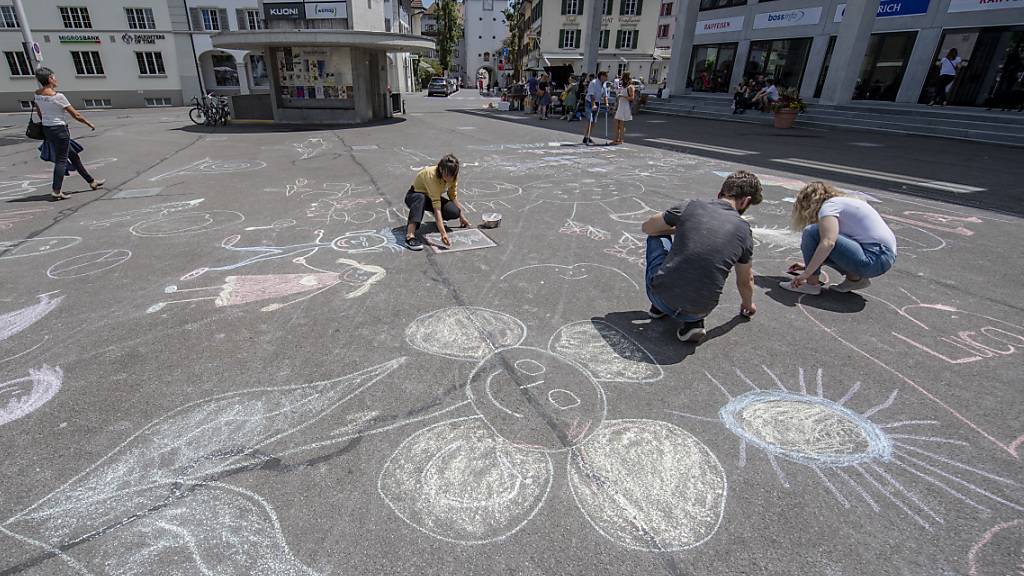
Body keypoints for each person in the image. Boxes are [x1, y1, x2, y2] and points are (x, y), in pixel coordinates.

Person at [640, 171, 762, 343]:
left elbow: (648, 227)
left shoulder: (690, 206)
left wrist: (679, 229)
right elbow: (745, 280)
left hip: (661, 296)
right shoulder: (744, 232)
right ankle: (693, 323)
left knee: (657, 236)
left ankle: (659, 306)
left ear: (721, 192)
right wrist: (748, 305)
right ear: (745, 201)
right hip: (700, 308)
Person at [780, 182, 897, 295]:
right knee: (823, 238)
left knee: (812, 231)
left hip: (873, 258)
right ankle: (855, 279)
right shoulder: (845, 203)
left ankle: (811, 284)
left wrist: (806, 273)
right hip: (883, 258)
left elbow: (828, 243)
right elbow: (841, 247)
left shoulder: (829, 206)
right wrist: (808, 265)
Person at [31, 67, 104, 201]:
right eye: (54, 77)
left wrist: (46, 122)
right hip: (60, 130)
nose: (56, 79)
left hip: (48, 129)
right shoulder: (58, 96)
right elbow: (75, 114)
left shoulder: (37, 94)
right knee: (61, 160)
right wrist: (89, 123)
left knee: (74, 156)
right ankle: (56, 190)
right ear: (49, 79)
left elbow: (39, 112)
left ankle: (91, 181)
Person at [404, 154, 471, 251]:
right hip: (414, 196)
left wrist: (462, 217)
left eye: (452, 175)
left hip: (431, 197)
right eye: (446, 175)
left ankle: (439, 221)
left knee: (454, 211)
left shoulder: (453, 176)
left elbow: (453, 196)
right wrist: (443, 234)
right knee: (421, 198)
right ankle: (410, 236)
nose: (449, 178)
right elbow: (437, 208)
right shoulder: (431, 175)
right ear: (440, 169)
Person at [582, 71, 609, 145]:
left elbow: (605, 95)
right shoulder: (593, 83)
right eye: (606, 76)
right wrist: (593, 105)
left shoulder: (604, 84)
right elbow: (591, 95)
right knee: (589, 120)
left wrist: (606, 103)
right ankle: (585, 137)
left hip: (597, 102)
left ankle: (589, 136)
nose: (607, 78)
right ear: (602, 76)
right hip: (589, 101)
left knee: (594, 121)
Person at [611, 72, 634, 144]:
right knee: (616, 123)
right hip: (620, 105)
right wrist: (615, 106)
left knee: (621, 124)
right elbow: (618, 97)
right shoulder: (623, 86)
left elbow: (632, 98)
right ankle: (616, 139)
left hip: (625, 106)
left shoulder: (630, 87)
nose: (622, 79)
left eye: (623, 78)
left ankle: (620, 140)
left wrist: (623, 96)